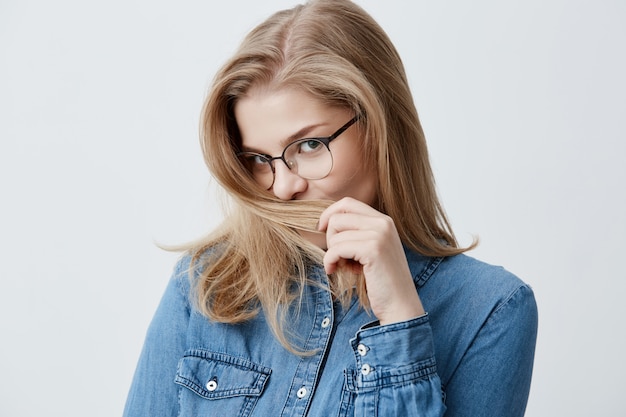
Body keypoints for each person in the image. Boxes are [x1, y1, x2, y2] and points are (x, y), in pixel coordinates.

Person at [123, 1, 538, 416]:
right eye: (258, 159)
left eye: (309, 145)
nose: (282, 188)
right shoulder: (205, 284)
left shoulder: (492, 311)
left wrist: (398, 321)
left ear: (380, 127)